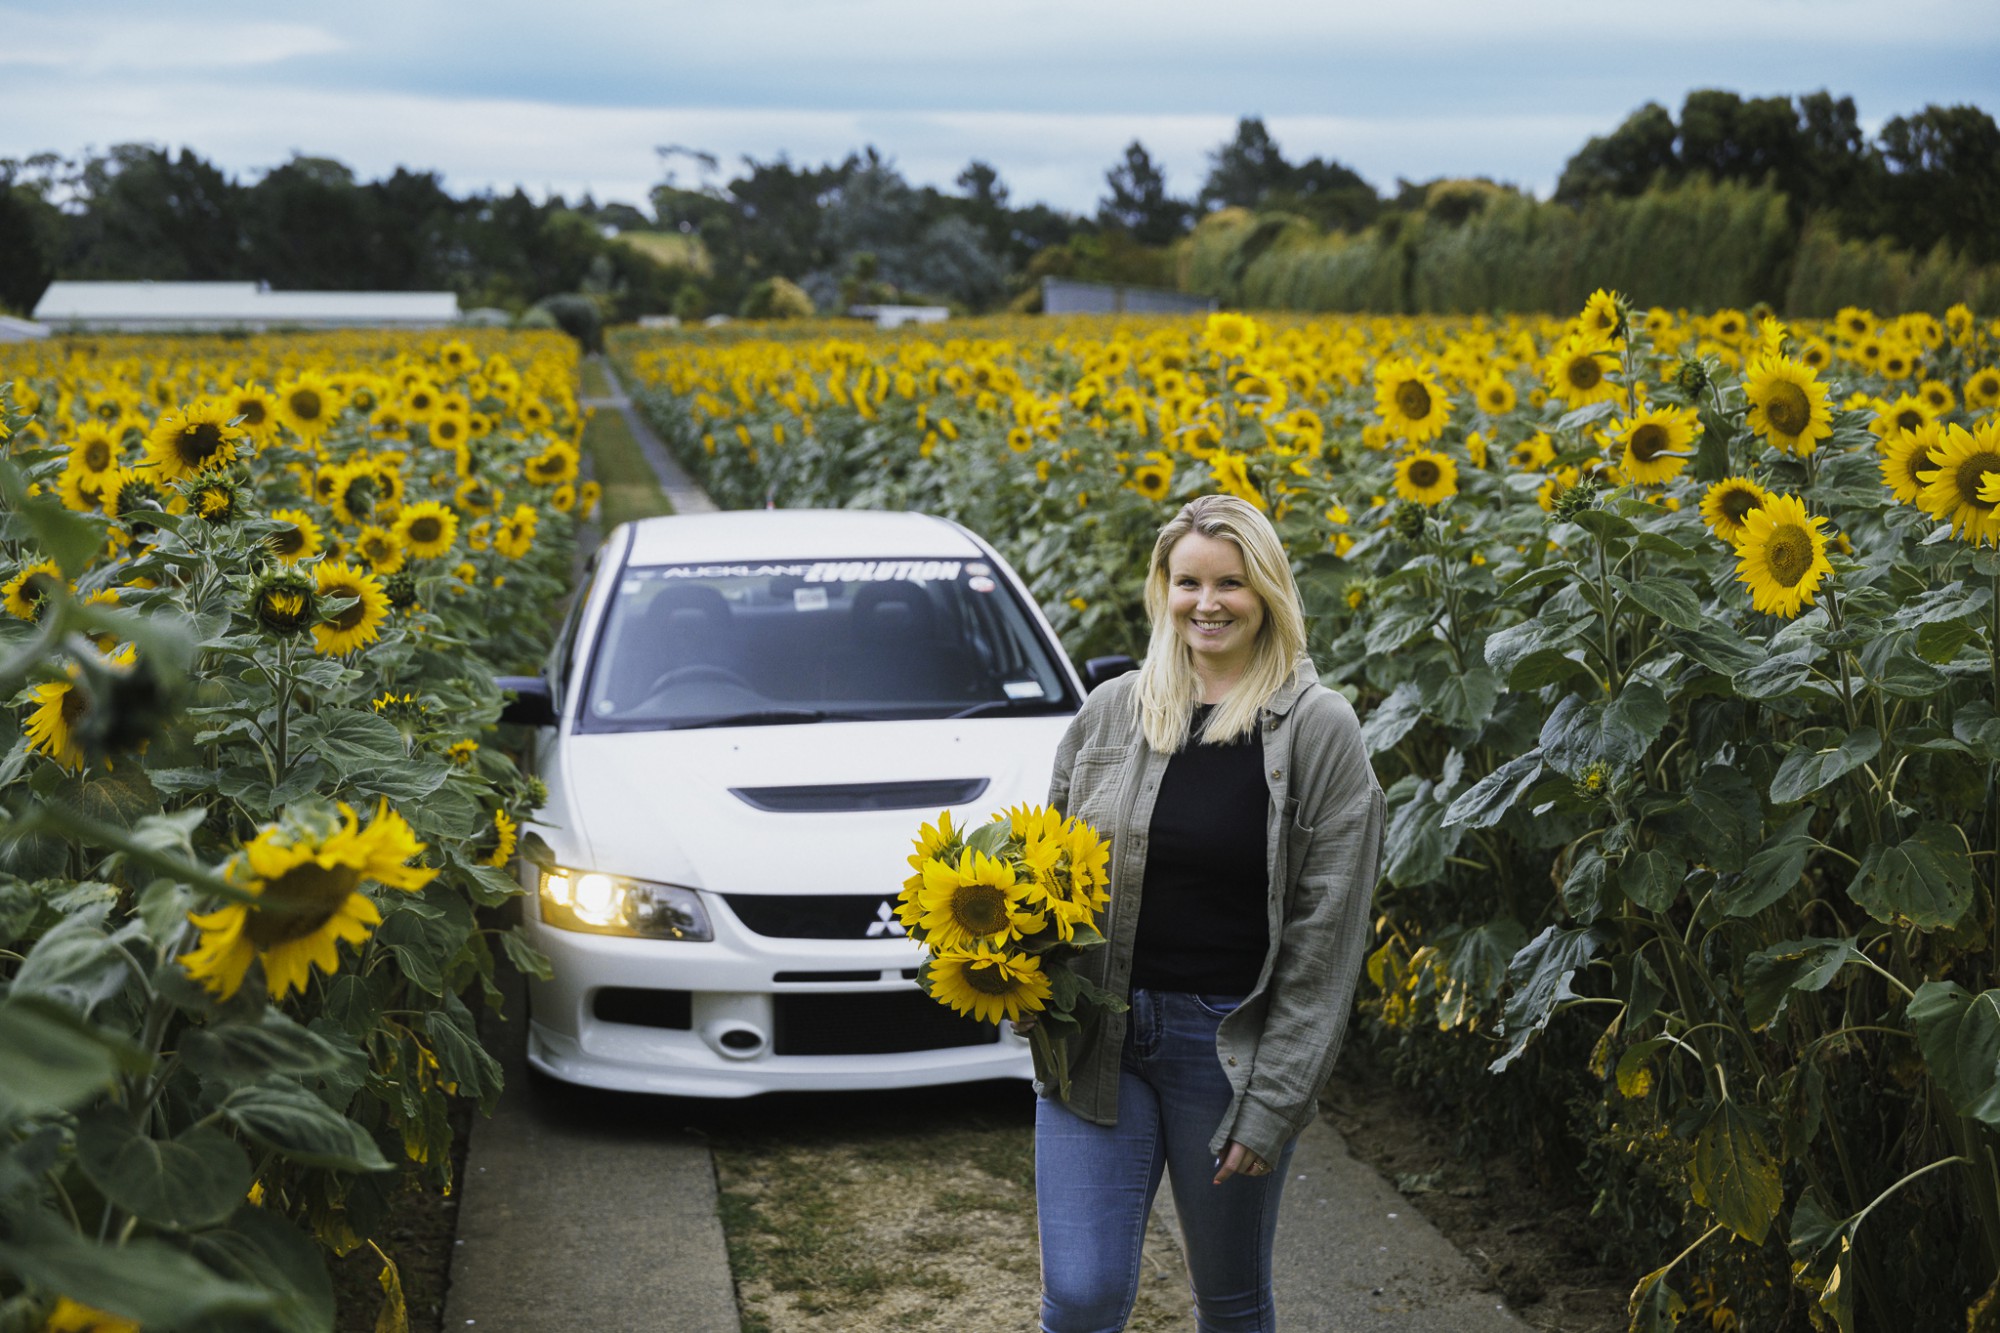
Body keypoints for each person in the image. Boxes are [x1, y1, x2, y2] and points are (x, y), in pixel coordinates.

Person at [1028, 493, 1386, 1333]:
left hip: (1226, 1052)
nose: (1209, 602)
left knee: (1229, 1301)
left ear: (1267, 591)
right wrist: (1013, 971)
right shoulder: (1111, 711)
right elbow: (1042, 874)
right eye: (1188, 582)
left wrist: (1275, 1100)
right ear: (1164, 589)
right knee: (1078, 1294)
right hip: (1098, 1036)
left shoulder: (1318, 730)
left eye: (1232, 582)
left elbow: (1326, 939)